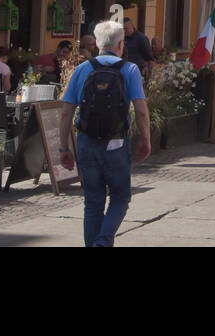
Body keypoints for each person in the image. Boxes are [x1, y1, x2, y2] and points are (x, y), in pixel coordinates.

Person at [57, 19, 150, 247]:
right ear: (120, 44)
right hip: (116, 144)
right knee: (120, 198)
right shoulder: (129, 69)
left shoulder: (82, 69)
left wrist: (63, 148)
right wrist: (145, 139)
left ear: (98, 44)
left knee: (93, 202)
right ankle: (103, 241)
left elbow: (66, 112)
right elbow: (140, 110)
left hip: (86, 142)